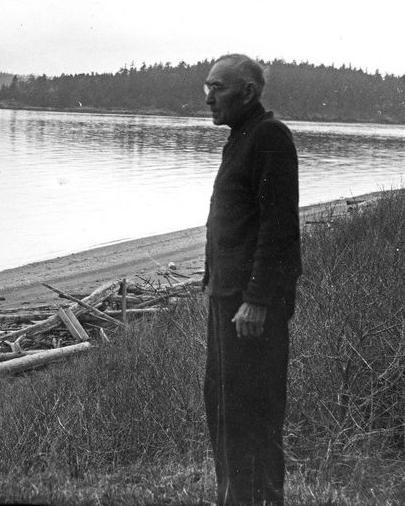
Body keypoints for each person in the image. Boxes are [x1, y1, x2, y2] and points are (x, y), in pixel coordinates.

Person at [202, 54, 302, 506]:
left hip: (251, 308)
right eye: (207, 86)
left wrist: (258, 299)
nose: (208, 97)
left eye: (217, 87)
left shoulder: (269, 137)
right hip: (227, 299)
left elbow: (278, 228)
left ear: (247, 91)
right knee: (224, 410)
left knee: (253, 414)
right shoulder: (241, 137)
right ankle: (235, 498)